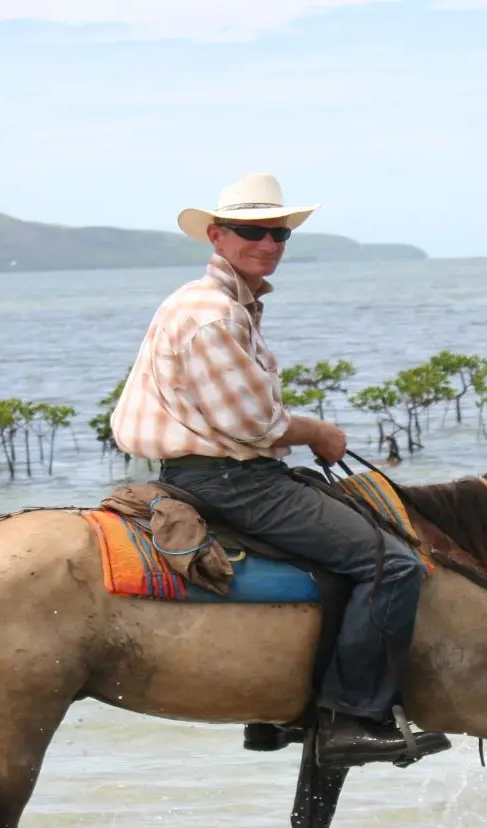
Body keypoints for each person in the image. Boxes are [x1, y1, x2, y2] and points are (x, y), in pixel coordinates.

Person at [110, 173, 450, 768]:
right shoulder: (214, 315)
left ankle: (280, 713)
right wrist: (318, 431)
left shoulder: (214, 303)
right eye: (251, 231)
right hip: (233, 480)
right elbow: (253, 424)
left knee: (342, 550)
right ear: (217, 235)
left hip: (201, 472)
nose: (267, 243)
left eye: (279, 233)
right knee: (389, 564)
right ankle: (351, 719)